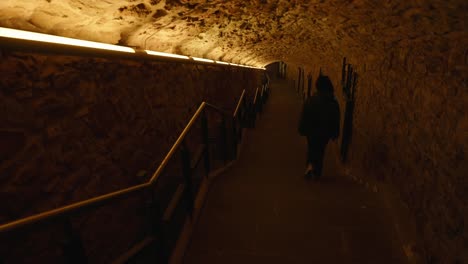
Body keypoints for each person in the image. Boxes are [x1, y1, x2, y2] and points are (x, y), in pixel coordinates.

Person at [298, 75, 340, 180]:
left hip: (311, 130)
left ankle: (310, 167)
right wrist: (335, 132)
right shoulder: (332, 102)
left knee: (312, 147)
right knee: (320, 150)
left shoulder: (311, 100)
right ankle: (316, 171)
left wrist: (302, 128)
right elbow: (335, 117)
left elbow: (305, 114)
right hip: (324, 131)